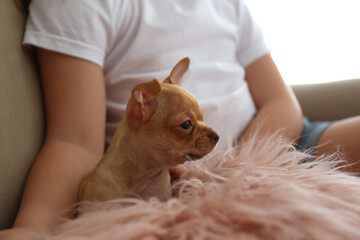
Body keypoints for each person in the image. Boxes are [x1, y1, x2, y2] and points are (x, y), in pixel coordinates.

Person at [1, 0, 360, 238]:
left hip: (286, 143)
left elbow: (283, 104)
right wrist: (35, 226)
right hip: (178, 175)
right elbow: (73, 140)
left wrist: (243, 169)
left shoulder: (226, 4)